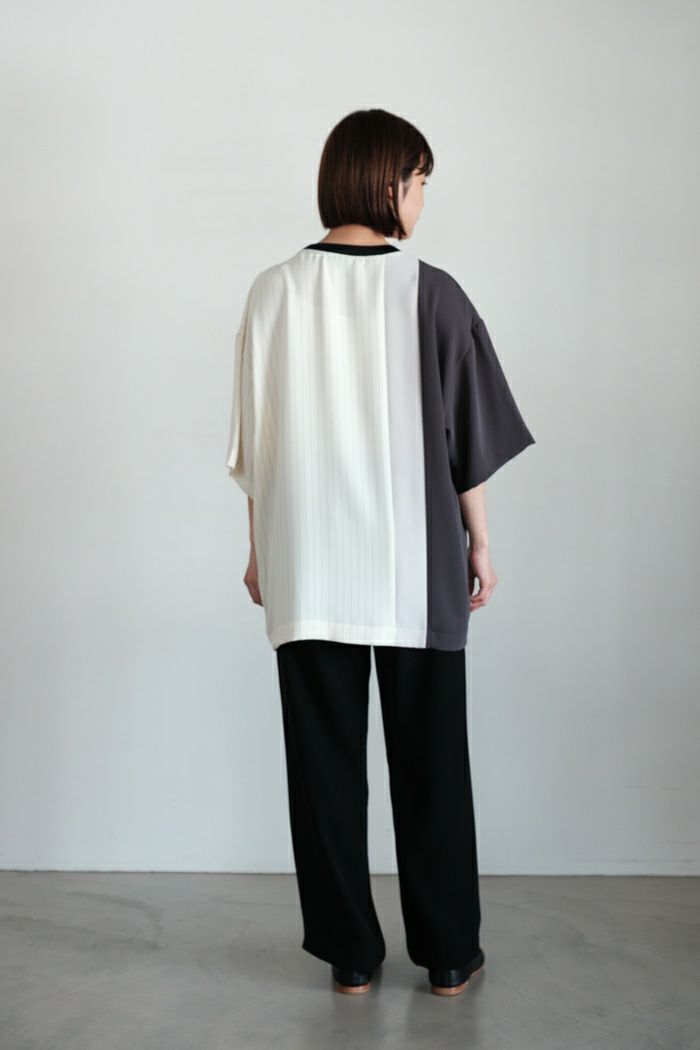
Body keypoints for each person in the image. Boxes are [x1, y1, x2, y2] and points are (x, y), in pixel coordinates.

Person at [225, 108, 535, 996]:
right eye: (422, 181)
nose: (424, 199)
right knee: (432, 762)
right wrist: (480, 541)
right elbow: (465, 439)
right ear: (389, 184)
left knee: (323, 768)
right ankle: (448, 953)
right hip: (415, 563)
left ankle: (351, 957)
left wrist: (259, 551)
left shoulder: (273, 291)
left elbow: (257, 446)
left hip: (308, 559)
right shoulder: (432, 292)